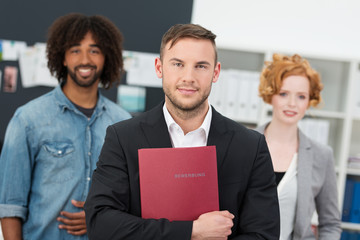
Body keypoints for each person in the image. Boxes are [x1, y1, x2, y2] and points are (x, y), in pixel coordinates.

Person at [84, 23, 280, 240]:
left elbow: (264, 235)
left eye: (201, 66)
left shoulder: (250, 146)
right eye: (178, 64)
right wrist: (192, 232)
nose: (189, 77)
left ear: (216, 72)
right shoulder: (123, 138)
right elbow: (100, 223)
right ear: (159, 68)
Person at [0, 13, 131, 240]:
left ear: (106, 57)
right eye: (75, 50)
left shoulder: (123, 123)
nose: (85, 59)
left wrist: (100, 217)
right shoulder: (28, 119)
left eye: (94, 50)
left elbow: (131, 200)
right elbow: (10, 206)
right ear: (62, 58)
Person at [256, 53, 342, 239]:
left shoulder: (322, 155)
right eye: (284, 94)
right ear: (271, 95)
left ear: (309, 101)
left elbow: (330, 223)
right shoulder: (242, 145)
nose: (292, 104)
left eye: (301, 96)